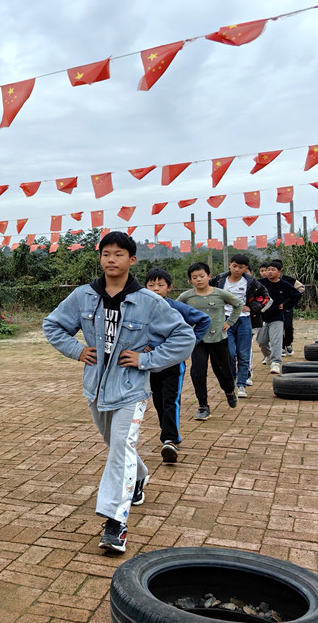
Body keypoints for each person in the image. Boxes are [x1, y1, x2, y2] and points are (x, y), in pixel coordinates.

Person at [43, 232, 195, 554]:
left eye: (119, 254)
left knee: (119, 451)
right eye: (106, 254)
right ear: (100, 258)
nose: (111, 259)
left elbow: (183, 337)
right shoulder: (84, 296)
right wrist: (76, 350)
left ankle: (115, 523)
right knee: (116, 446)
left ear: (132, 260)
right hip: (95, 389)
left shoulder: (150, 302)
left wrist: (147, 360)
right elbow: (52, 325)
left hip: (131, 391)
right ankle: (138, 477)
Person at [144, 269, 210, 463]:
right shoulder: (142, 308)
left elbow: (204, 320)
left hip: (173, 364)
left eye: (160, 285)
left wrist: (188, 344)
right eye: (151, 285)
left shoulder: (177, 308)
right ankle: (169, 434)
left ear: (169, 288)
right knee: (158, 401)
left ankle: (170, 440)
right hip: (151, 363)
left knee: (170, 400)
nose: (156, 289)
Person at [178, 262, 242, 421]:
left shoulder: (220, 294)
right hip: (198, 341)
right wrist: (184, 327)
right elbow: (174, 309)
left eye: (201, 276)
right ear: (190, 280)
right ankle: (203, 406)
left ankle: (229, 391)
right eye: (194, 277)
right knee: (198, 372)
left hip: (219, 340)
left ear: (209, 276)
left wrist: (230, 322)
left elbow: (238, 304)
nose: (198, 280)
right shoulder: (187, 296)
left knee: (224, 372)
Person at [208, 254, 270, 398]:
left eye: (240, 267)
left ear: (245, 269)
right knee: (229, 352)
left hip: (244, 320)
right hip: (225, 320)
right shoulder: (219, 280)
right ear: (230, 265)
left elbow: (265, 296)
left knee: (243, 354)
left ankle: (242, 384)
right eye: (234, 266)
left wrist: (253, 307)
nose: (236, 269)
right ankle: (233, 378)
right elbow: (206, 291)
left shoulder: (251, 282)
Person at [257, 260, 302, 374]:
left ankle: (275, 362)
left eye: (273, 270)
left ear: (279, 272)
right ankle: (267, 355)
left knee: (276, 340)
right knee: (261, 341)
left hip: (277, 315)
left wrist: (285, 305)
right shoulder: (260, 283)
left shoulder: (284, 285)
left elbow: (297, 295)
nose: (270, 272)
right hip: (262, 316)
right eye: (268, 270)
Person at [275, 259, 305, 356]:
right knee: (278, 328)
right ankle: (281, 347)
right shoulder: (268, 281)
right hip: (274, 309)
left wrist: (291, 300)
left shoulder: (289, 280)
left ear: (281, 269)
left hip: (287, 307)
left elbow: (301, 288)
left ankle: (288, 344)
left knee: (288, 326)